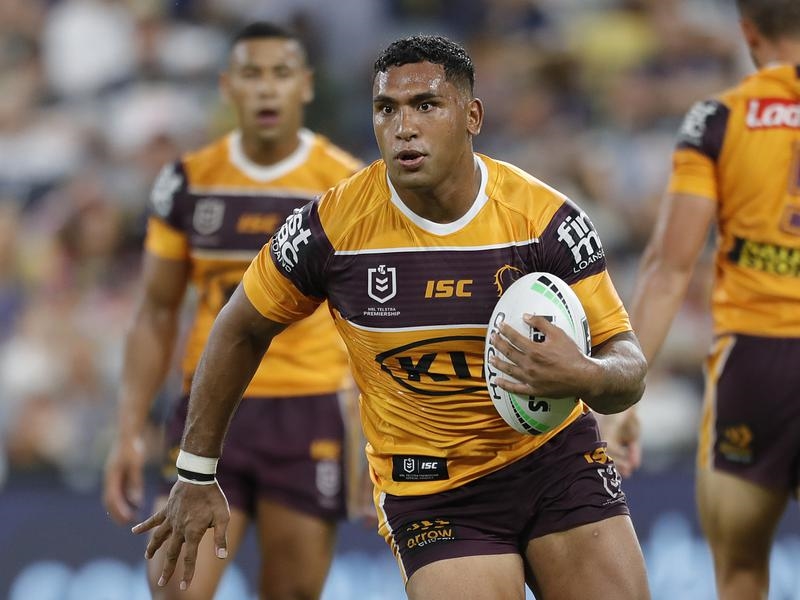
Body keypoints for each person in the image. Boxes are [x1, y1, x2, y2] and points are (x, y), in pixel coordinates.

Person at [133, 34, 650, 600]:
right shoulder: (331, 228)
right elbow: (238, 326)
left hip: (555, 460)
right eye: (386, 109)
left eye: (426, 105)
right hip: (434, 490)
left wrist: (585, 375)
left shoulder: (544, 220)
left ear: (472, 116)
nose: (404, 127)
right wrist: (195, 472)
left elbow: (628, 364)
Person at [102, 22, 362, 600]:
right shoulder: (189, 182)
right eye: (252, 73)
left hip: (308, 408)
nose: (266, 88)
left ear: (305, 85)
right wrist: (128, 430)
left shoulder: (345, 185)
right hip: (208, 408)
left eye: (280, 74)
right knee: (173, 588)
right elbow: (156, 312)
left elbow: (368, 321)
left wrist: (373, 435)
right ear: (227, 86)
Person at [627, 1, 800, 597]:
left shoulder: (719, 119)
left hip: (754, 361)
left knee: (740, 572)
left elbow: (669, 267)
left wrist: (623, 394)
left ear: (748, 33)